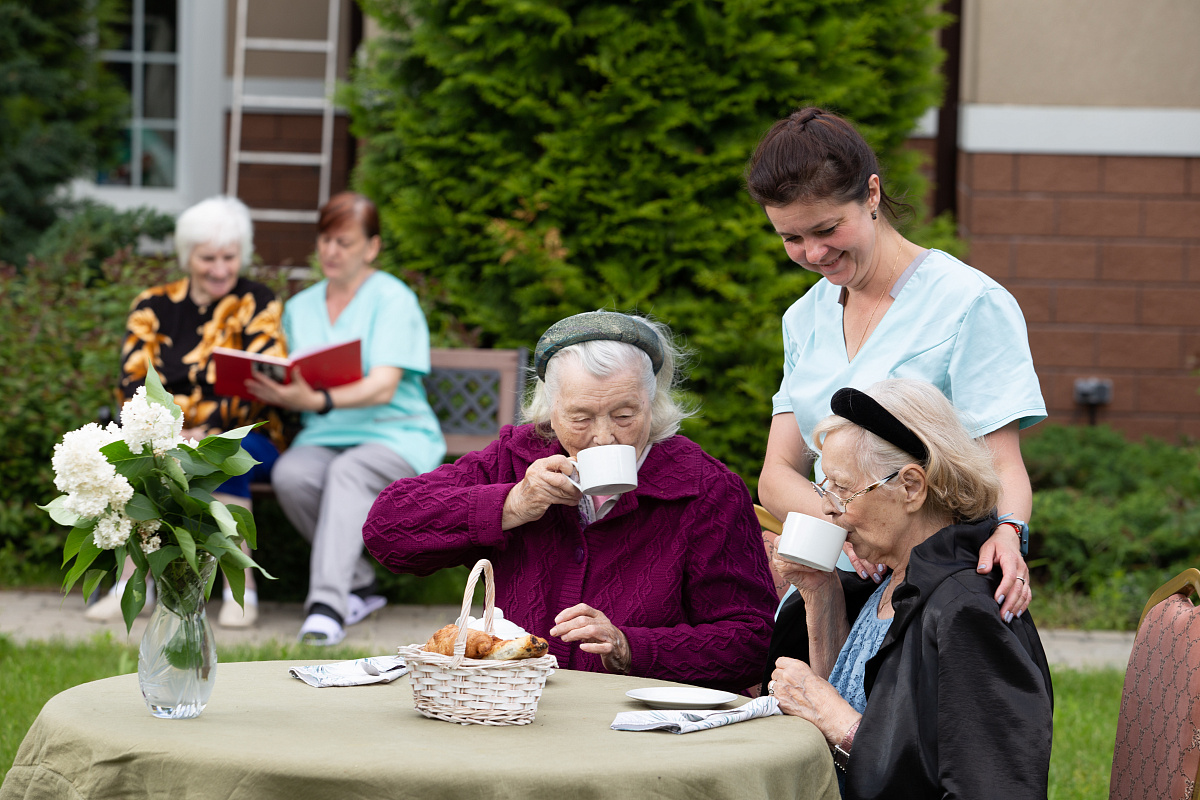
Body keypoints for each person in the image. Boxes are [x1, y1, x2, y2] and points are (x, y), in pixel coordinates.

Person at [361, 311, 778, 693]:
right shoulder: (517, 457)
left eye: (625, 415)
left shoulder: (705, 488)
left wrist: (628, 646)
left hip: (637, 724)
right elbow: (386, 530)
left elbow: (752, 641)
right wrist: (512, 503)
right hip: (510, 708)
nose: (604, 437)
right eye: (580, 418)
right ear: (550, 410)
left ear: (653, 403)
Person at [745, 107, 1044, 635]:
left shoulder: (970, 303)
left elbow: (1001, 464)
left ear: (873, 194)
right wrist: (845, 525)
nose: (814, 252)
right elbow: (775, 474)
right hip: (828, 583)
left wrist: (1010, 532)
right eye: (791, 238)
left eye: (828, 228)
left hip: (927, 589)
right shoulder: (804, 317)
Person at [766, 379, 1053, 798]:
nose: (828, 506)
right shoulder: (894, 581)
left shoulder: (967, 610)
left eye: (843, 488)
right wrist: (821, 597)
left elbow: (992, 787)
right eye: (824, 486)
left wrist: (841, 727)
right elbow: (855, 696)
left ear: (911, 487)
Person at [247, 192, 446, 647]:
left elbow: (384, 386)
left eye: (344, 241)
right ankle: (358, 583)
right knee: (293, 473)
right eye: (325, 240)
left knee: (348, 471)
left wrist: (316, 399)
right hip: (326, 434)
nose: (331, 251)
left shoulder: (394, 299)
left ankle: (327, 606)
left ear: (371, 247)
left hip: (395, 435)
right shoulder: (300, 307)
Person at [86, 195, 283, 627]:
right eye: (207, 257)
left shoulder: (257, 300)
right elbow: (132, 380)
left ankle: (241, 591)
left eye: (229, 257)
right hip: (165, 435)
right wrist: (174, 430)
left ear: (242, 255)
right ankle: (129, 586)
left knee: (224, 457)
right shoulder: (152, 306)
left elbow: (263, 378)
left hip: (242, 434)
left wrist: (208, 428)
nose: (219, 268)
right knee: (138, 460)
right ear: (187, 256)